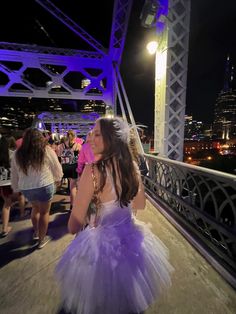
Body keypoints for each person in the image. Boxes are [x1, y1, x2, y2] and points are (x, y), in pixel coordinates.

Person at [56, 117, 173, 314]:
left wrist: (89, 211)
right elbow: (140, 204)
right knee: (127, 296)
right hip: (130, 239)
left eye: (97, 134)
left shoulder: (92, 171)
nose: (90, 138)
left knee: (101, 300)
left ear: (111, 139)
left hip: (100, 250)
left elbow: (73, 226)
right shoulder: (131, 167)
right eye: (92, 133)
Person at [11, 128, 63, 248]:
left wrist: (16, 187)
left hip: (27, 187)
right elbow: (56, 166)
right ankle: (41, 239)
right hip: (44, 184)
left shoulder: (17, 153)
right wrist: (58, 178)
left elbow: (14, 173)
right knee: (44, 212)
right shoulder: (46, 150)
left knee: (35, 208)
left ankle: (36, 232)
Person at [0, 136, 25, 236]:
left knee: (6, 205)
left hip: (2, 183)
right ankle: (22, 214)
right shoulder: (14, 154)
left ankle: (4, 228)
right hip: (14, 181)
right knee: (21, 196)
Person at [57, 130, 81, 209]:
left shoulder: (60, 146)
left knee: (71, 185)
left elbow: (59, 158)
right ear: (74, 136)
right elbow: (80, 158)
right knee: (73, 187)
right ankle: (73, 205)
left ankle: (73, 202)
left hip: (64, 167)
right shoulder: (78, 145)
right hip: (74, 167)